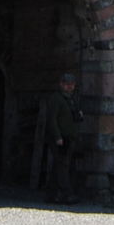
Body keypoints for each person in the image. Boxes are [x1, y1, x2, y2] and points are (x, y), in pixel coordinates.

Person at [41, 73, 82, 203]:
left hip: (69, 138)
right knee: (63, 166)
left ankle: (52, 194)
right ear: (61, 84)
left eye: (72, 84)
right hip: (61, 138)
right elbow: (52, 119)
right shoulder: (56, 99)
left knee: (59, 166)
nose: (70, 86)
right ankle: (67, 194)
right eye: (67, 84)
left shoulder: (70, 99)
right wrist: (57, 137)